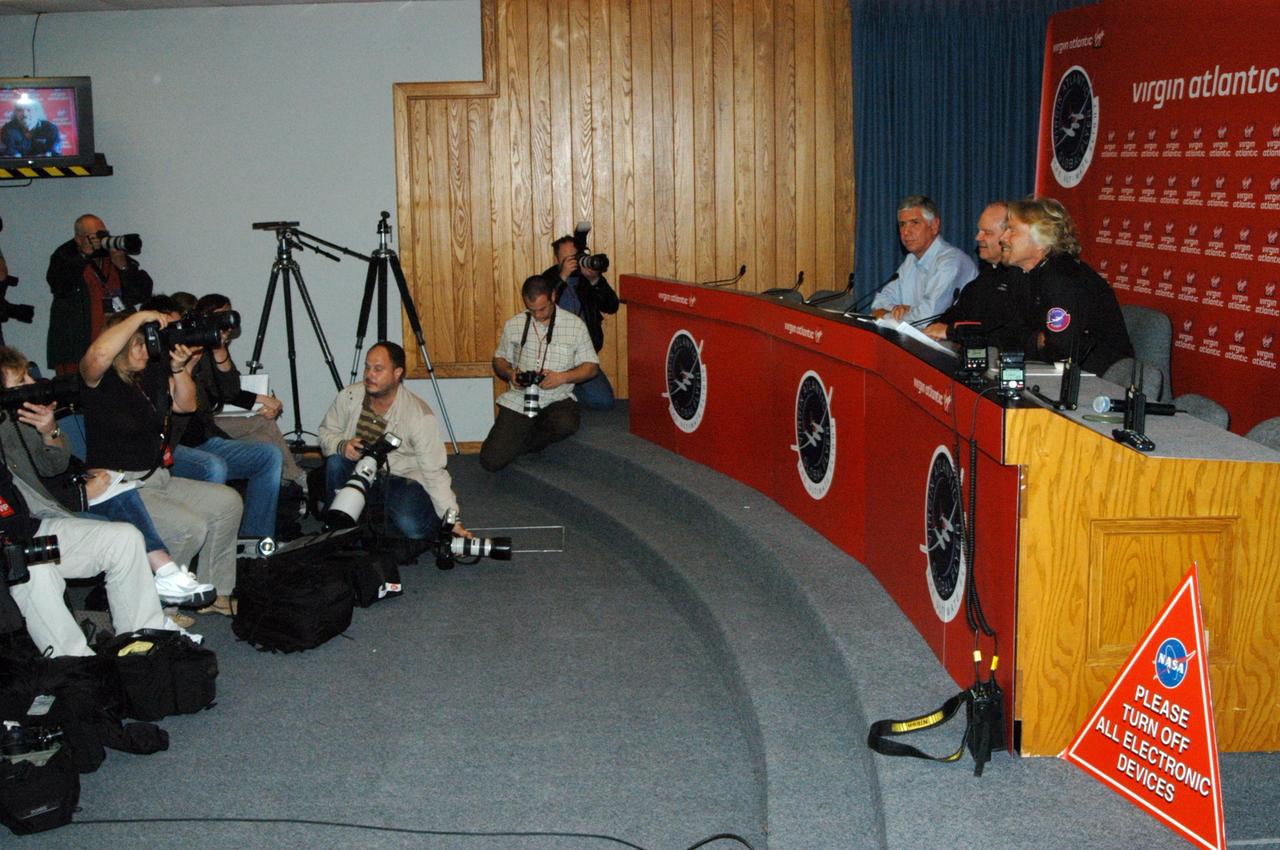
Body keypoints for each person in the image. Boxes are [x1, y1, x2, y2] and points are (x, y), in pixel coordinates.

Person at [0, 345, 215, 616]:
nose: (31, 385)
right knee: (127, 525)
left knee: (118, 490)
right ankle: (165, 575)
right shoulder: (7, 427)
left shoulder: (22, 420)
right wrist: (81, 494)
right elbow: (29, 495)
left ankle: (164, 588)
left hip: (69, 489)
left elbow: (53, 466)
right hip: (41, 514)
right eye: (21, 381)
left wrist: (49, 432)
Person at [79, 310, 243, 617]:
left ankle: (214, 593)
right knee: (188, 526)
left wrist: (179, 368)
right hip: (121, 487)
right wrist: (140, 315)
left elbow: (187, 405)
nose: (146, 350)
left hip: (158, 478)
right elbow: (98, 353)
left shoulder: (150, 374)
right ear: (120, 346)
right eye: (137, 344)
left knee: (228, 502)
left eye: (147, 343)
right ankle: (160, 606)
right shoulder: (97, 382)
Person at [140, 295, 284, 542]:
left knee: (269, 455)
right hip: (171, 448)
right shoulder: (150, 363)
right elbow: (175, 408)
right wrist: (183, 367)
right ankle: (210, 543)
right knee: (213, 466)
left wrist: (219, 349)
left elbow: (229, 391)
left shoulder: (197, 351)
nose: (180, 334)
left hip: (206, 438)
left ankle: (254, 540)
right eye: (172, 328)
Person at [319, 341, 468, 543]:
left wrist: (452, 520)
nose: (369, 375)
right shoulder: (349, 397)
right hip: (356, 470)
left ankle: (374, 512)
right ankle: (336, 528)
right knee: (335, 462)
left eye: (378, 369)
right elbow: (326, 432)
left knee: (414, 530)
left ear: (397, 373)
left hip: (397, 479)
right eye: (367, 367)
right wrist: (342, 445)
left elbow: (435, 472)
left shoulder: (419, 416)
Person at [999, 197, 1134, 375]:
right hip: (1058, 371)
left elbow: (1062, 351)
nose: (1003, 237)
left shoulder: (1063, 279)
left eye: (1012, 230)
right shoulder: (1020, 274)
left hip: (1102, 379)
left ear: (1041, 241)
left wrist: (1032, 340)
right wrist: (1036, 339)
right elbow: (1004, 332)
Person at [480, 275, 599, 472]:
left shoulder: (575, 325)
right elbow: (499, 359)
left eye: (542, 309)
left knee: (567, 423)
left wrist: (562, 377)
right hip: (521, 398)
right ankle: (520, 440)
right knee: (490, 461)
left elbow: (591, 367)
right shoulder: (515, 324)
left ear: (553, 296)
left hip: (557, 397)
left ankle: (523, 440)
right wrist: (510, 374)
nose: (537, 315)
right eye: (532, 310)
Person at [194, 293, 305, 488]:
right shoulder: (199, 350)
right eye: (221, 316)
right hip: (208, 423)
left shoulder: (218, 348)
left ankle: (283, 486)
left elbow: (230, 388)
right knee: (264, 421)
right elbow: (224, 393)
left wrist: (263, 400)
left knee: (265, 441)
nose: (227, 323)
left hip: (219, 415)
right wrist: (262, 400)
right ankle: (295, 476)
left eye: (229, 315)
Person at [47, 213, 154, 375]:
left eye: (103, 233)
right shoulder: (65, 256)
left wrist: (123, 266)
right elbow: (59, 285)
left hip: (118, 347)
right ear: (79, 239)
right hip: (78, 351)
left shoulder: (113, 254)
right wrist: (83, 255)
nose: (100, 239)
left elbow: (142, 294)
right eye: (93, 236)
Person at [924, 201, 1025, 348]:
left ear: (1008, 235)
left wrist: (950, 332)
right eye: (979, 230)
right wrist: (933, 328)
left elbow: (999, 330)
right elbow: (959, 312)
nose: (978, 237)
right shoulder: (986, 275)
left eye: (987, 232)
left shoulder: (1021, 277)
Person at [871, 195, 977, 324]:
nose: (906, 232)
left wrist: (887, 316)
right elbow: (880, 302)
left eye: (914, 223)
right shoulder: (911, 260)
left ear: (934, 226)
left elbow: (927, 318)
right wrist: (897, 310)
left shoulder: (951, 262)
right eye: (902, 224)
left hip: (950, 343)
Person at [542, 234, 619, 410]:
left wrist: (595, 281)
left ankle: (566, 393)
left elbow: (612, 306)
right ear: (557, 259)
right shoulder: (548, 279)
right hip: (555, 358)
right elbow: (544, 309)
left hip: (583, 357)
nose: (573, 262)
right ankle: (561, 390)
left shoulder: (588, 278)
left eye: (575, 257)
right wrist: (562, 277)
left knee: (604, 402)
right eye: (566, 259)